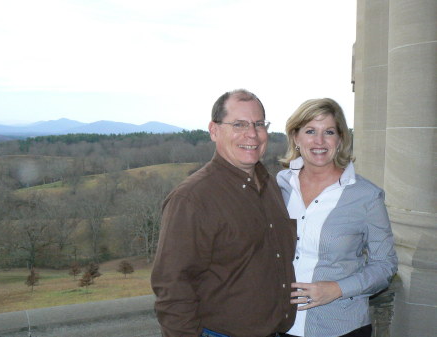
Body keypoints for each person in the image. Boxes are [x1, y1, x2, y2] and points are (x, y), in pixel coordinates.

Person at [151, 89, 297, 337]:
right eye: (238, 124)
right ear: (214, 130)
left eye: (259, 124)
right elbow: (172, 288)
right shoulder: (193, 198)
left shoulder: (270, 184)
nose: (252, 134)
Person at [276, 98, 398, 337]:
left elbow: (385, 265)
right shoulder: (279, 186)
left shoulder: (366, 196)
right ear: (295, 137)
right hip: (280, 324)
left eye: (329, 132)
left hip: (340, 326)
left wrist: (337, 289)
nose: (319, 141)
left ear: (340, 139)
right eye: (310, 131)